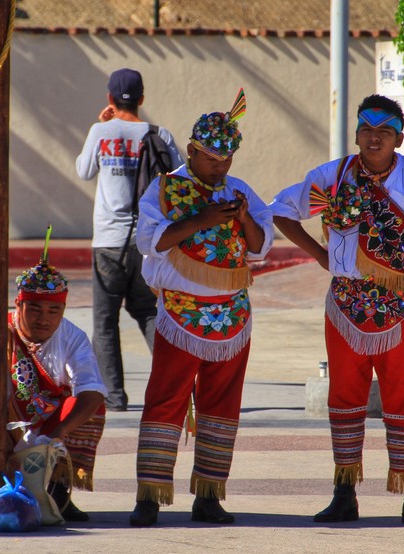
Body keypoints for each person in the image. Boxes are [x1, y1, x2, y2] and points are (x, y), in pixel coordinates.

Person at [271, 94, 404, 527]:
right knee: (344, 398)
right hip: (346, 306)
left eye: (383, 132)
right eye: (366, 130)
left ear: (399, 138)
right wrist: (318, 253)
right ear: (357, 135)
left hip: (400, 307)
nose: (373, 139)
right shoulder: (334, 176)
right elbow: (282, 210)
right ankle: (344, 494)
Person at [128, 90, 273, 527]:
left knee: (222, 405)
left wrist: (243, 216)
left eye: (227, 160)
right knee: (165, 401)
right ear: (191, 151)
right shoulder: (166, 188)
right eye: (212, 159)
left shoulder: (238, 188)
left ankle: (209, 494)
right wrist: (202, 221)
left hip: (232, 317)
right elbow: (150, 241)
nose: (221, 168)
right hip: (182, 315)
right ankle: (150, 494)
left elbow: (259, 247)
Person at [75, 68, 184, 412]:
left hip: (108, 241)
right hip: (147, 243)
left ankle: (114, 396)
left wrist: (101, 125)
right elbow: (180, 178)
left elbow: (84, 170)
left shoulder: (100, 131)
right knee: (149, 313)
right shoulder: (159, 133)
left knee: (105, 322)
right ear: (142, 99)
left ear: (109, 98)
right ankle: (176, 389)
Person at [7, 244, 108, 522]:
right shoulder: (0, 331)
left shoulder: (72, 336)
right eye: (35, 309)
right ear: (19, 304)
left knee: (92, 407)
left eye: (54, 311)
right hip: (5, 416)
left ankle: (60, 491)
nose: (44, 319)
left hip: (50, 418)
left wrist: (60, 432)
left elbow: (92, 388)